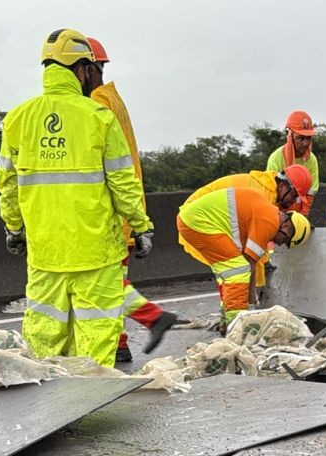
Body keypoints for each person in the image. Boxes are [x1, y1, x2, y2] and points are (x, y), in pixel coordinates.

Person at [0, 28, 150, 368]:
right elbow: (123, 182)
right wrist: (140, 227)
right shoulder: (98, 117)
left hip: (45, 250)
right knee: (96, 334)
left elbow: (7, 184)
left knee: (45, 329)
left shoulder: (17, 120)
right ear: (82, 69)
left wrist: (14, 228)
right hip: (95, 250)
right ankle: (89, 402)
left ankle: (47, 403)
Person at [86, 35, 179, 364]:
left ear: (86, 69)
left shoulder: (97, 104)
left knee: (104, 283)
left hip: (113, 211)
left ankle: (152, 318)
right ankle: (120, 342)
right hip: (125, 207)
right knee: (114, 281)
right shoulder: (113, 99)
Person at [177, 186, 311, 328]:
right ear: (287, 228)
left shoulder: (268, 214)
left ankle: (227, 320)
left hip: (194, 219)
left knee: (229, 272)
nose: (279, 244)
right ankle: (236, 324)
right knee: (238, 269)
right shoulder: (270, 222)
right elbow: (250, 264)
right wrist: (252, 306)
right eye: (285, 241)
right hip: (199, 221)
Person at [265, 110, 320, 215]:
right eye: (301, 138)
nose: (305, 143)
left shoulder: (312, 160)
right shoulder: (276, 158)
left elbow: (310, 193)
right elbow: (271, 193)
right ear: (288, 134)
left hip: (299, 214)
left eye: (308, 138)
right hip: (278, 214)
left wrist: (302, 216)